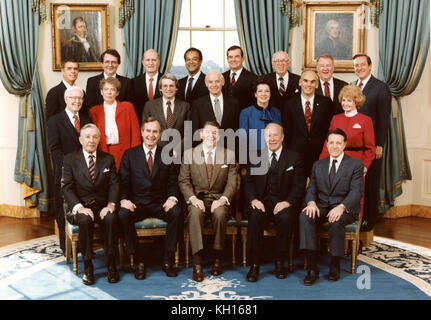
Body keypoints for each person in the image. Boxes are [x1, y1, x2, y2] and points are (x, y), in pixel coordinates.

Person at [118, 117, 183, 279]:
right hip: (137, 204)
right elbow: (123, 182)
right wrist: (124, 200)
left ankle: (167, 259)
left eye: (155, 132)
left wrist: (172, 198)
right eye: (148, 131)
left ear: (160, 134)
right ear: (142, 132)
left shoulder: (167, 154)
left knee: (177, 213)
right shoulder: (130, 154)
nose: (151, 135)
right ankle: (139, 259)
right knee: (123, 214)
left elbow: (173, 181)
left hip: (160, 203)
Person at [300, 128, 364, 285]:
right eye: (331, 143)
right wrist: (311, 203)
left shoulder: (355, 164)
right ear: (327, 144)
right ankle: (312, 268)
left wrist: (342, 207)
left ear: (344, 145)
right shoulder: (318, 165)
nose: (334, 146)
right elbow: (311, 189)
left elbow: (356, 192)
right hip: (321, 206)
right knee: (305, 216)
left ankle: (334, 265)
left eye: (338, 143)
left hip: (345, 208)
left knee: (336, 220)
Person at [244, 123, 306, 282]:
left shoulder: (294, 157)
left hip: (284, 203)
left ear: (282, 137)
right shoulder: (256, 156)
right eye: (268, 136)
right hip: (262, 203)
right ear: (264, 138)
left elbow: (299, 186)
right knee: (255, 217)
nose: (272, 139)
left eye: (275, 135)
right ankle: (254, 265)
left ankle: (280, 262)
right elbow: (248, 183)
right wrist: (254, 199)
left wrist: (287, 202)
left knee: (285, 219)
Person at [61, 123, 120, 285]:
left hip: (102, 205)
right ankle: (88, 266)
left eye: (95, 137)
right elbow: (66, 188)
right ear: (80, 140)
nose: (91, 140)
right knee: (85, 220)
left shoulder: (108, 159)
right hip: (81, 205)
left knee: (110, 219)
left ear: (99, 139)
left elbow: (114, 185)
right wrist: (79, 207)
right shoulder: (70, 159)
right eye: (87, 137)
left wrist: (111, 205)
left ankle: (111, 265)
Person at [178, 121, 237, 282]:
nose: (211, 135)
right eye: (208, 132)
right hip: (198, 198)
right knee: (195, 213)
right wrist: (193, 198)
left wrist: (224, 199)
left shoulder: (228, 155)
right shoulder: (189, 154)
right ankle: (197, 263)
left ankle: (217, 259)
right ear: (201, 135)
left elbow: (232, 183)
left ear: (219, 136)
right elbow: (183, 181)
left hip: (219, 198)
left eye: (215, 133)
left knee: (220, 214)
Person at [48, 86, 92, 254]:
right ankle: (66, 247)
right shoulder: (55, 120)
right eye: (73, 98)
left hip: (86, 172)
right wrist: (71, 166)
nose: (76, 101)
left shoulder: (87, 119)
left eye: (80, 98)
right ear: (66, 100)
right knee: (63, 209)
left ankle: (84, 245)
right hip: (65, 172)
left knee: (82, 207)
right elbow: (54, 150)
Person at [352, 54, 391, 231]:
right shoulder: (352, 87)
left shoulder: (380, 87)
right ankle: (355, 216)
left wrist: (379, 145)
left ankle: (369, 219)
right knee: (356, 182)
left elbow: (383, 120)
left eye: (362, 64)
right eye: (356, 65)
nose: (359, 68)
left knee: (371, 182)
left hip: (372, 146)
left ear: (370, 66)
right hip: (354, 145)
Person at [282, 70, 334, 178]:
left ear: (317, 84)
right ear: (300, 82)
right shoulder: (289, 104)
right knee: (298, 189)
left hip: (320, 154)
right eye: (305, 81)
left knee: (319, 188)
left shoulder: (326, 103)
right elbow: (287, 131)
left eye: (312, 81)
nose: (308, 85)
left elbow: (329, 130)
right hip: (296, 154)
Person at [320, 84, 376, 173]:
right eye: (343, 100)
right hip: (335, 162)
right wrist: (322, 163)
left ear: (356, 102)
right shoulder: (335, 118)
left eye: (349, 101)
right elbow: (327, 144)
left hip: (356, 163)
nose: (345, 104)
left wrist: (365, 166)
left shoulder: (365, 120)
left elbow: (370, 149)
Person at [89, 77, 141, 171]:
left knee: (124, 180)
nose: (109, 92)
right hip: (103, 152)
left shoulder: (127, 107)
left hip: (124, 151)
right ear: (101, 92)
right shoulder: (94, 111)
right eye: (106, 89)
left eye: (112, 89)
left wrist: (135, 154)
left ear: (117, 93)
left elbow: (135, 133)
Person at [142, 73, 191, 149]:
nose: (168, 89)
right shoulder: (150, 105)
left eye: (171, 86)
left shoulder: (185, 106)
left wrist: (178, 149)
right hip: (155, 149)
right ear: (160, 89)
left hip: (178, 151)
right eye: (165, 86)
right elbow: (145, 130)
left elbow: (188, 133)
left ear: (176, 88)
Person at [191, 71, 240, 139]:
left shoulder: (234, 103)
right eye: (210, 82)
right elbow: (196, 131)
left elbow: (237, 129)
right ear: (206, 83)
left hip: (229, 146)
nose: (214, 85)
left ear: (223, 82)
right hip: (207, 146)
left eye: (217, 81)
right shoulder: (197, 104)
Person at [239, 78, 282, 153]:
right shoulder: (246, 113)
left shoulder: (277, 112)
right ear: (255, 94)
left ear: (270, 94)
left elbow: (281, 137)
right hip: (253, 156)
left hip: (275, 154)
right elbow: (243, 140)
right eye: (260, 91)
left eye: (267, 91)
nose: (263, 94)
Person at [222, 45, 258, 111]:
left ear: (243, 58)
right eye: (230, 57)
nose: (233, 60)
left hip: (244, 118)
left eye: (237, 56)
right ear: (227, 59)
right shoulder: (221, 77)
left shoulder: (254, 78)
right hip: (225, 119)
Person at [132, 49, 162, 123]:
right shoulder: (133, 82)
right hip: (141, 124)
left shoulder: (167, 81)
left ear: (159, 62)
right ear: (143, 62)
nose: (151, 63)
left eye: (154, 60)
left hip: (162, 125)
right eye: (147, 60)